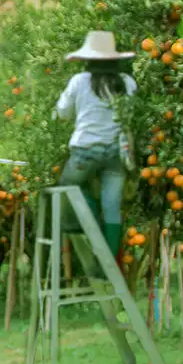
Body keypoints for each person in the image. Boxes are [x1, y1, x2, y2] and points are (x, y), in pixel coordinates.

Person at [54, 31, 136, 258]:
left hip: (85, 151)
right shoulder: (127, 83)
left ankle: (94, 229)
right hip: (117, 153)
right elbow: (132, 113)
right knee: (112, 207)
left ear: (88, 59)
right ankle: (107, 259)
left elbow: (62, 113)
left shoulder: (79, 82)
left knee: (69, 187)